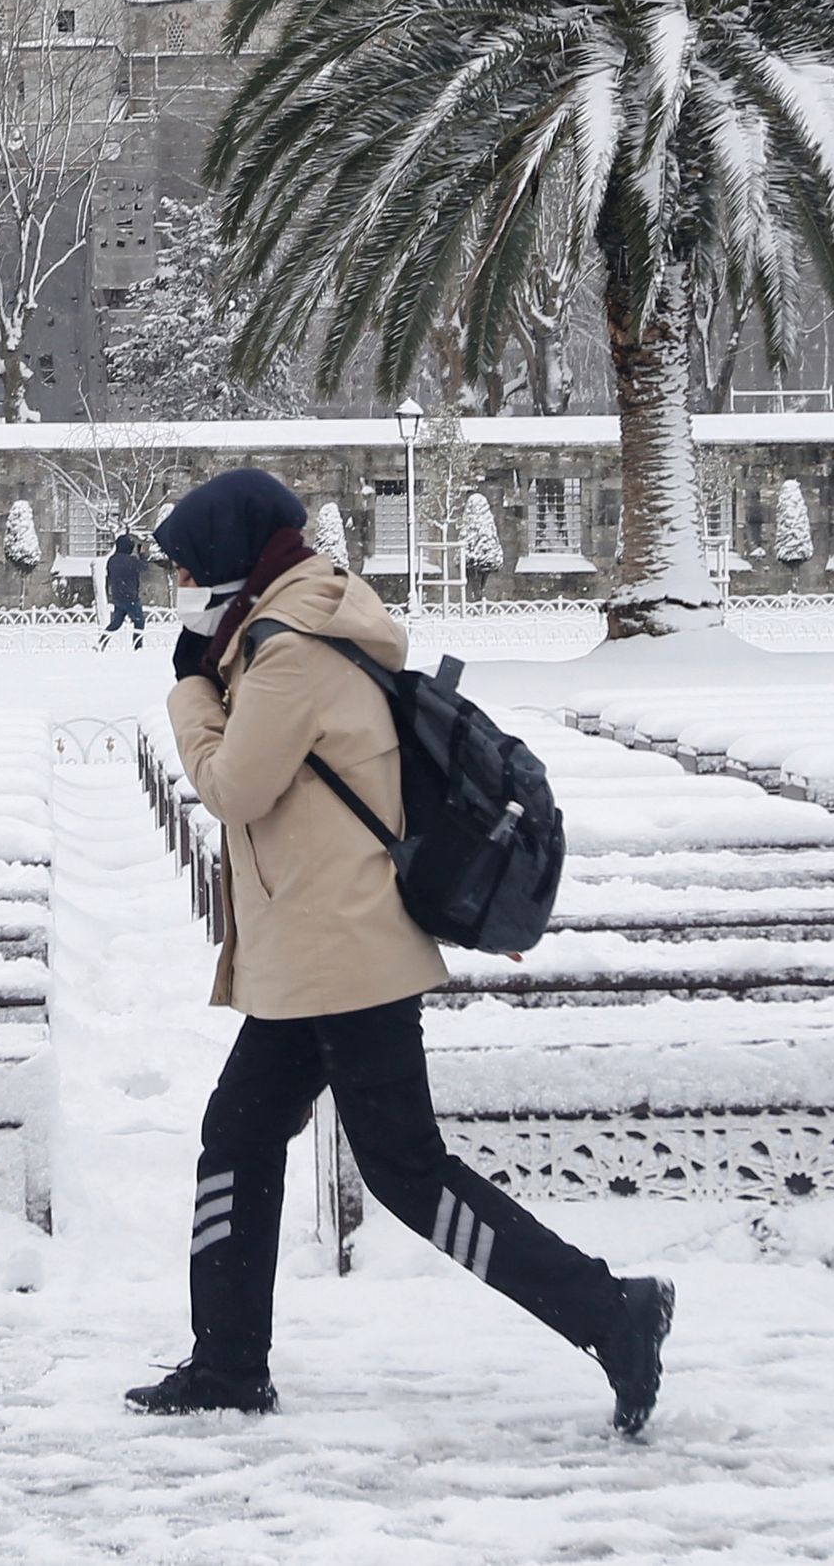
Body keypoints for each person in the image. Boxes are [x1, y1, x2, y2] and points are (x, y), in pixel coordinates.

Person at [130, 465, 671, 1435]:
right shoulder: (290, 627)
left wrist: (186, 692)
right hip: (315, 947)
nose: (177, 587)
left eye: (183, 569)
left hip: (342, 951)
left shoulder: (289, 649)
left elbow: (232, 788)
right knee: (240, 1137)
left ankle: (610, 1312)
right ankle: (225, 1365)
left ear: (226, 562)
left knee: (406, 1173)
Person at [98, 528, 149, 649]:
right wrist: (142, 554)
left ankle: (101, 642)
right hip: (130, 596)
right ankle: (137, 646)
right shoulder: (131, 561)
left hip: (118, 596)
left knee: (116, 623)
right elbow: (143, 567)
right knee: (139, 621)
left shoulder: (112, 560)